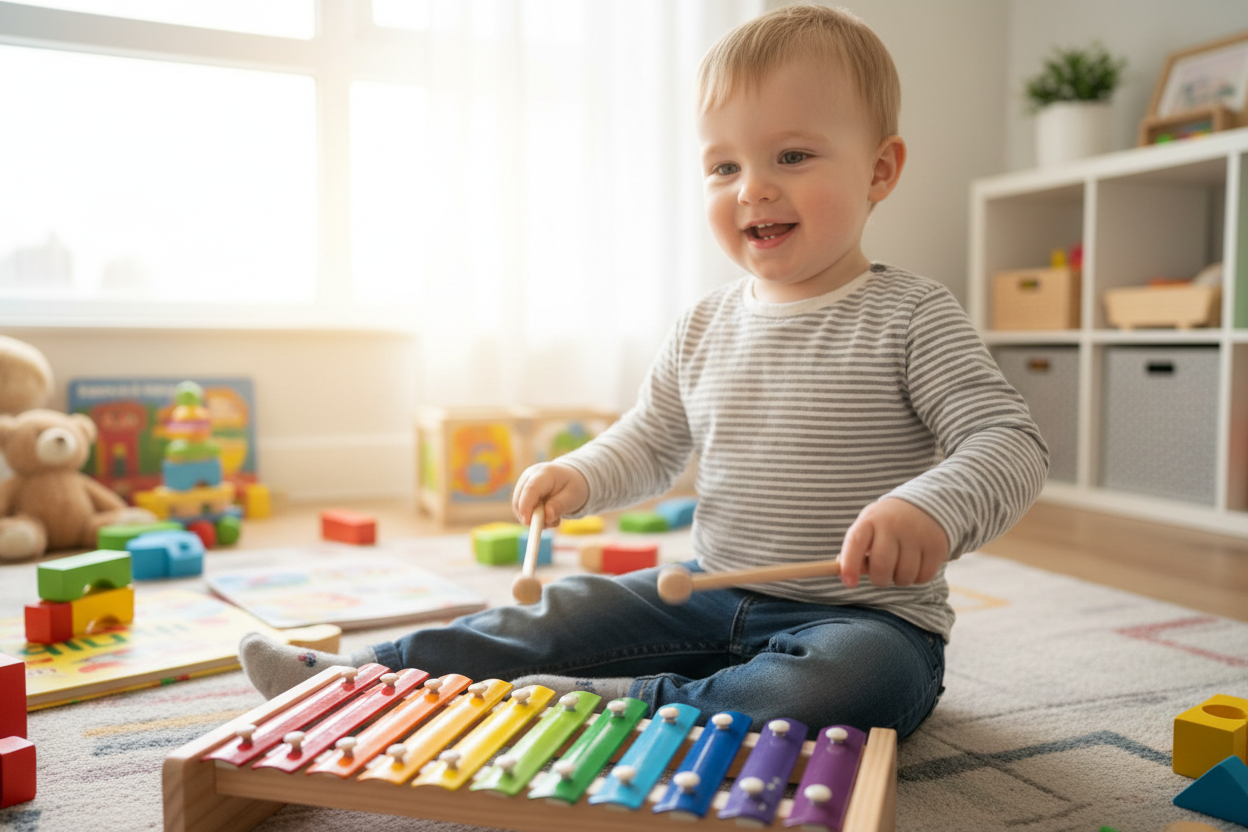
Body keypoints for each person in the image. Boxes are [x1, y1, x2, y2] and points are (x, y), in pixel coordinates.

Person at [240, 3, 1047, 740]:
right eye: (723, 167)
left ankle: (627, 708)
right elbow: (652, 439)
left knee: (844, 691)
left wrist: (930, 508)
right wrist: (581, 474)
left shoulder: (912, 314)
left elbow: (1007, 440)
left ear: (880, 170)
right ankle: (365, 674)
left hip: (866, 621)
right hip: (707, 592)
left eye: (792, 155)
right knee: (562, 611)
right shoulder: (704, 323)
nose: (753, 188)